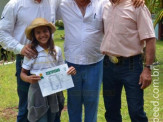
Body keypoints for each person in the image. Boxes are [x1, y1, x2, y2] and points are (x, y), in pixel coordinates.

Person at [52, 0, 144, 121]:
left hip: (95, 62)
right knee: (73, 103)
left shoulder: (103, 4)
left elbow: (119, 5)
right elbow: (46, 9)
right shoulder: (63, 5)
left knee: (92, 103)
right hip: (71, 63)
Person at [0, 0, 63, 121]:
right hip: (27, 60)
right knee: (27, 106)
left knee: (54, 105)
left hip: (50, 62)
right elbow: (2, 32)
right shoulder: (15, 4)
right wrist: (20, 48)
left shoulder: (53, 2)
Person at [100, 0, 156, 121]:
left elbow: (150, 39)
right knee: (111, 110)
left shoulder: (137, 7)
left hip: (131, 67)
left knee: (136, 111)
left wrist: (148, 69)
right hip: (108, 65)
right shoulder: (105, 7)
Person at [20, 18, 76, 122]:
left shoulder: (56, 50)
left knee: (54, 116)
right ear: (34, 35)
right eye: (38, 32)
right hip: (37, 91)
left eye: (45, 31)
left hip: (54, 90)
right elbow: (22, 73)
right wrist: (28, 79)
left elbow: (62, 70)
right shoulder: (31, 52)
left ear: (49, 32)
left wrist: (69, 71)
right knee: (41, 117)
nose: (42, 35)